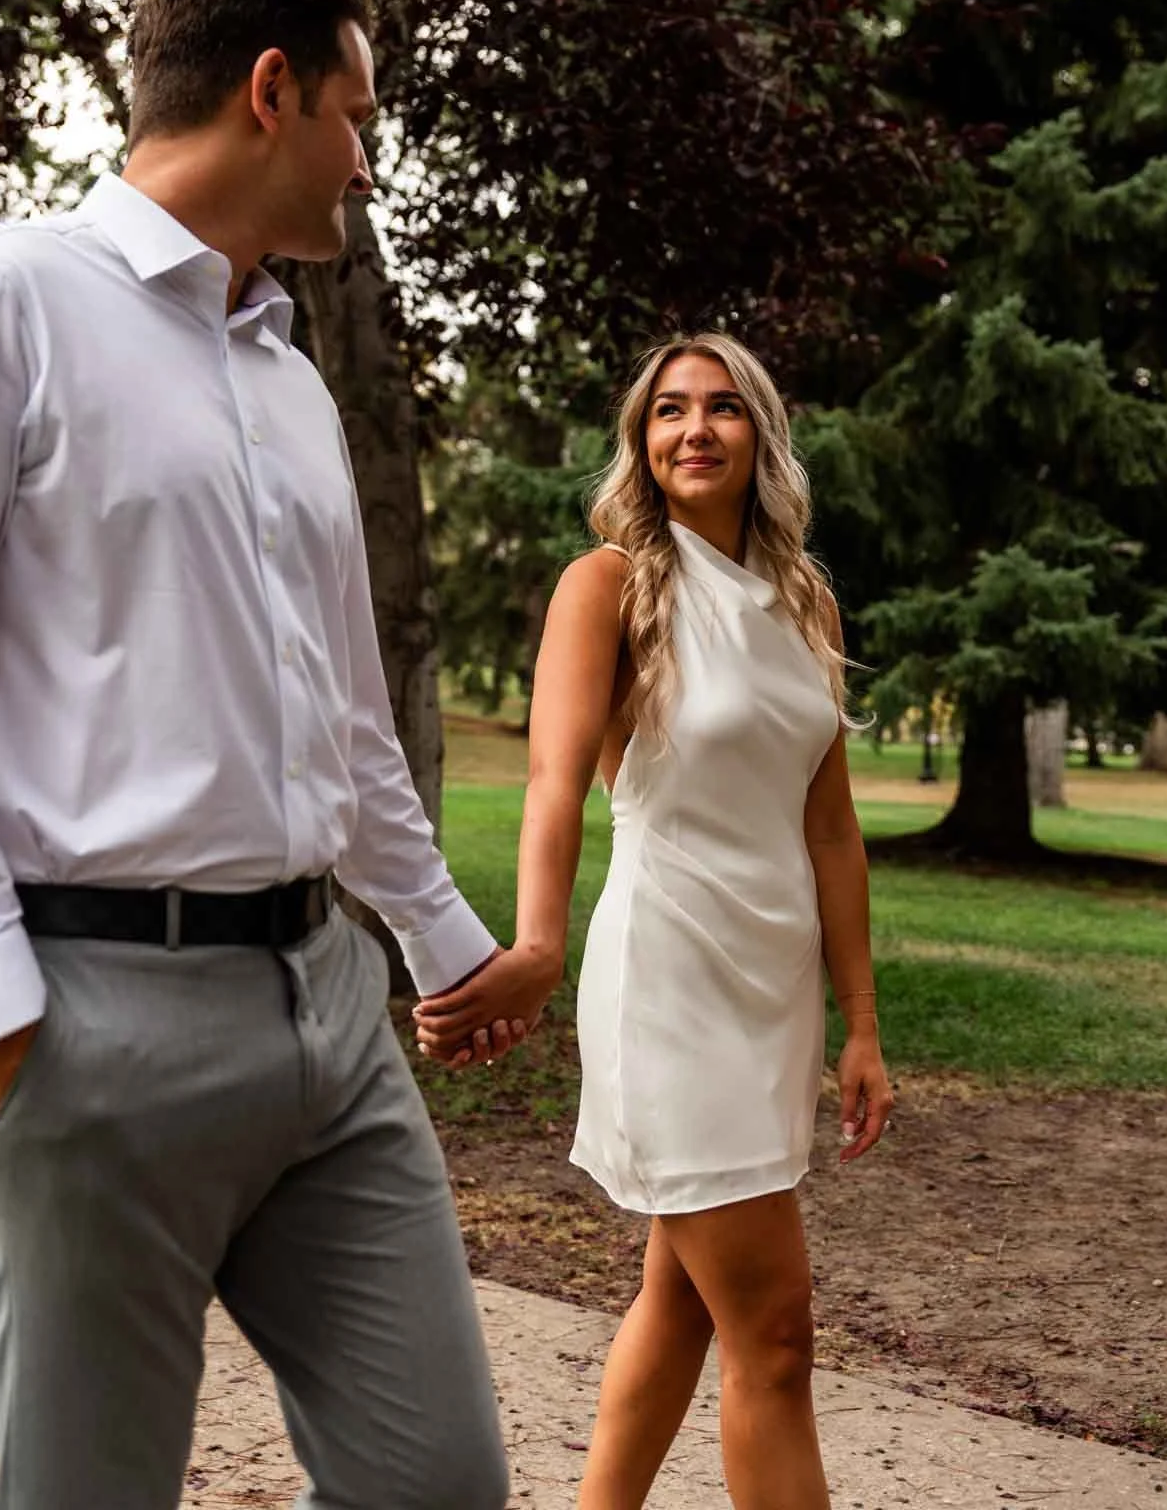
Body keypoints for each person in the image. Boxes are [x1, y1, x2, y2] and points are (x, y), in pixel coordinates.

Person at [0, 0, 516, 1510]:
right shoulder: (5, 296)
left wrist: (440, 943)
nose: (365, 161)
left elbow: (343, 720)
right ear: (270, 94)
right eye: (357, 117)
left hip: (324, 1016)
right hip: (87, 1024)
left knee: (439, 1485)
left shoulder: (287, 378)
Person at [415, 332, 894, 1510]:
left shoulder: (804, 599)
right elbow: (551, 779)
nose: (695, 429)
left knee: (679, 1299)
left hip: (768, 989)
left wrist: (863, 1023)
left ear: (759, 437)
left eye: (723, 408)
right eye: (670, 410)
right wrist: (535, 944)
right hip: (670, 972)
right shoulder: (610, 585)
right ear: (641, 440)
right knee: (774, 1335)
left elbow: (829, 828)